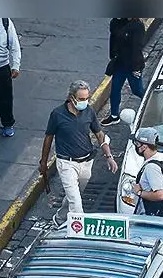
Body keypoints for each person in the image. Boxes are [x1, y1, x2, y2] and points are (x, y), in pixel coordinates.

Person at [40, 80, 118, 219]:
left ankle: (61, 216)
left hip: (86, 162)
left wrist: (109, 156)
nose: (85, 102)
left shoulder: (89, 112)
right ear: (71, 98)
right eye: (81, 99)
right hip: (66, 164)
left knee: (75, 195)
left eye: (87, 98)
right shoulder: (57, 114)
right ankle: (77, 231)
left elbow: (99, 134)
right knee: (76, 204)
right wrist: (43, 162)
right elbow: (48, 138)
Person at [101, 18, 147, 126]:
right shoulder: (115, 23)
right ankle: (114, 116)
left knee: (137, 90)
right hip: (120, 63)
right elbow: (113, 39)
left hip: (132, 65)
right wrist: (112, 55)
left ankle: (152, 107)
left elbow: (137, 48)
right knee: (115, 89)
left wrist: (136, 68)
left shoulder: (137, 26)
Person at [129, 127, 163, 215]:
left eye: (136, 143)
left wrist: (139, 192)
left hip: (150, 216)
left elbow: (161, 195)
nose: (135, 146)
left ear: (144, 147)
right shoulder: (158, 159)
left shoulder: (152, 167)